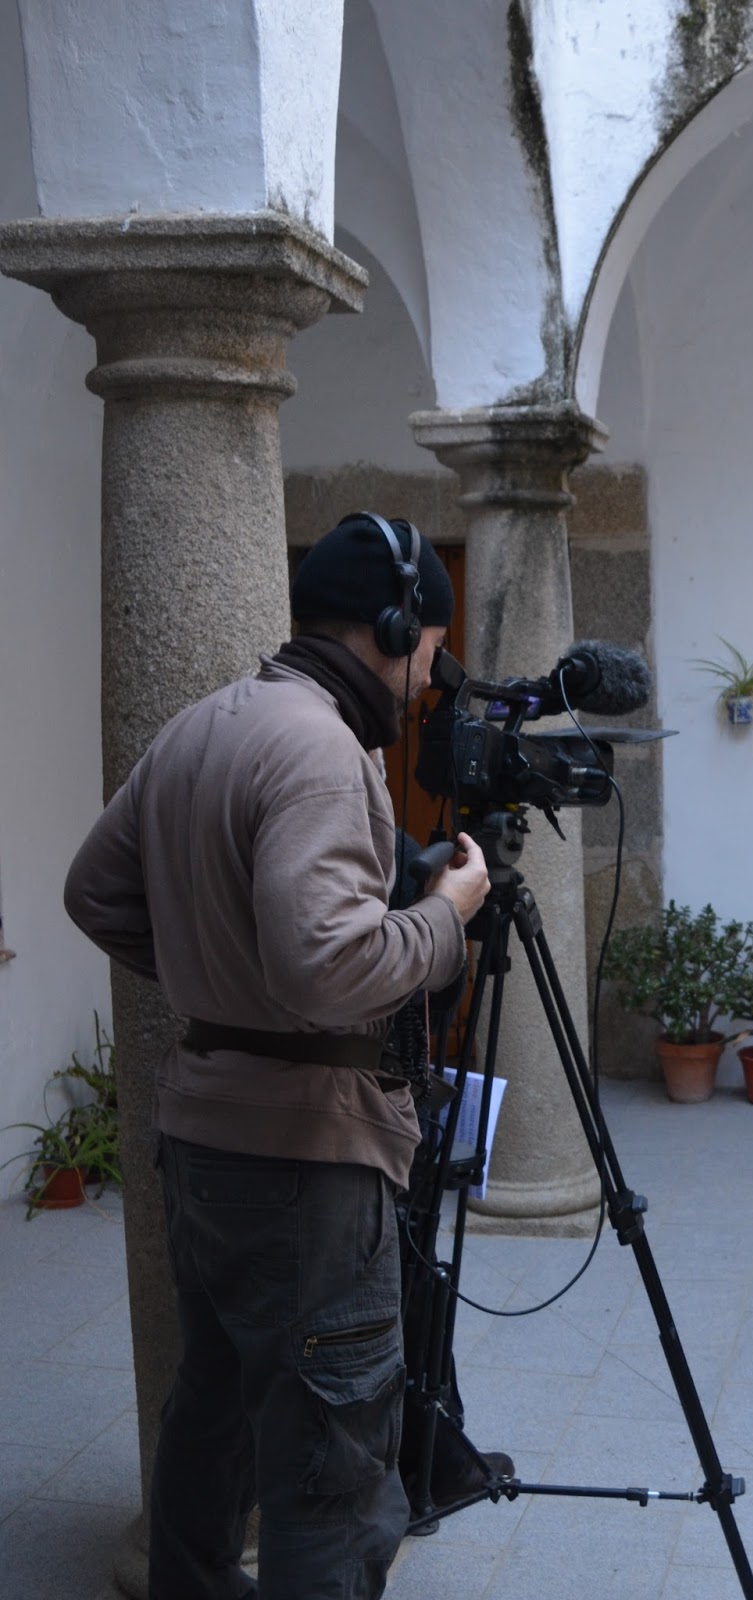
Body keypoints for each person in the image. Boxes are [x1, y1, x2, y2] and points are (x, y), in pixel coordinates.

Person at [64, 512, 507, 1600]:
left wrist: (223, 981)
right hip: (303, 1161)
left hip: (206, 1140)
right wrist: (449, 914)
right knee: (331, 1469)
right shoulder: (319, 745)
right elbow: (326, 966)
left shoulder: (203, 723)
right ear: (397, 626)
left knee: (211, 1418)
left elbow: (94, 892)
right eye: (430, 654)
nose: (428, 682)